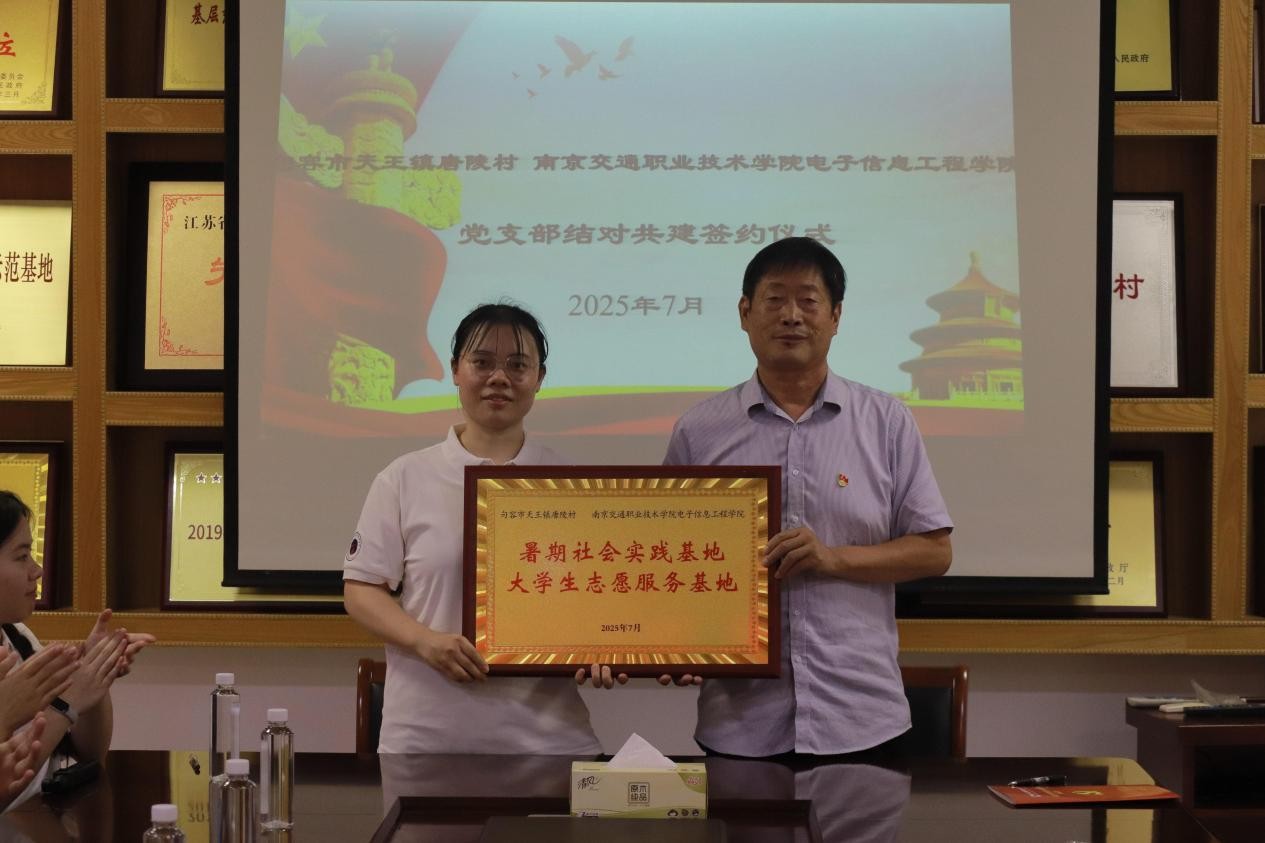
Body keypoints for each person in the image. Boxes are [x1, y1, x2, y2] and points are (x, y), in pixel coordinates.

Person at [663, 237, 953, 759]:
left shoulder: (886, 421)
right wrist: (673, 643)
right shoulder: (699, 431)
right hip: (741, 722)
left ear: (836, 316)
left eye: (809, 301)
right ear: (745, 313)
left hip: (861, 717)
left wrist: (832, 559)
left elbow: (935, 551)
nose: (791, 316)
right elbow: (667, 563)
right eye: (774, 299)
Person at [343, 303, 618, 756]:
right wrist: (426, 642)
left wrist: (606, 647)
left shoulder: (571, 484)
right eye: (483, 362)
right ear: (455, 369)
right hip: (427, 739)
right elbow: (361, 590)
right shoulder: (404, 478)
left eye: (518, 365)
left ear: (540, 377)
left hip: (548, 741)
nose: (499, 378)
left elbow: (598, 599)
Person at [0, 491, 155, 811]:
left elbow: (89, 754)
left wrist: (94, 676)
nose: (37, 570)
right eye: (22, 556)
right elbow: (10, 782)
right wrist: (67, 704)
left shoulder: (17, 636)